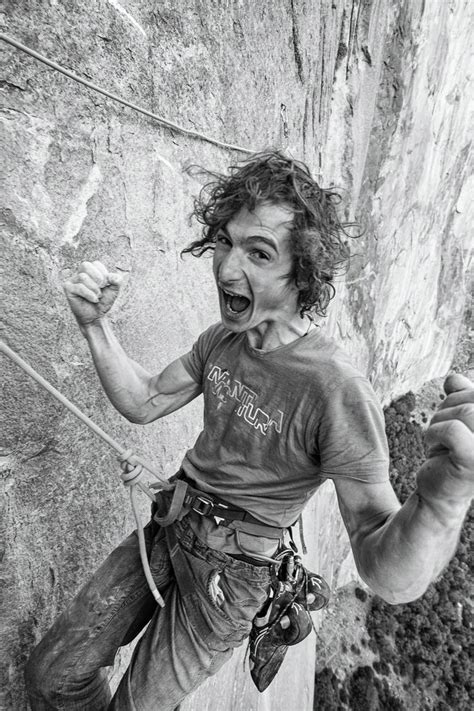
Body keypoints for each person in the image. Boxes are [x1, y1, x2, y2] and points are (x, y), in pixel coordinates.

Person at [25, 151, 473, 710]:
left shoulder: (334, 388)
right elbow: (144, 401)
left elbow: (387, 570)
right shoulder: (223, 340)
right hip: (172, 522)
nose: (226, 268)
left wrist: (444, 499)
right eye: (225, 242)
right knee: (52, 674)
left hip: (230, 579)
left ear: (302, 271)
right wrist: (94, 326)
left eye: (258, 253)